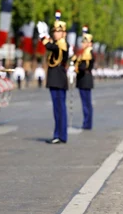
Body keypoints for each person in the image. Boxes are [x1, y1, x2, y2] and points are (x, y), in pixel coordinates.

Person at [37, 11, 69, 144]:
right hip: (56, 80)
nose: (55, 33)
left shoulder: (61, 44)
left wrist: (42, 35)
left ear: (63, 33)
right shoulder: (58, 44)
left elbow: (50, 46)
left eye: (58, 31)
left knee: (59, 109)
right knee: (58, 109)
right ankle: (60, 135)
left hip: (58, 80)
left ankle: (60, 135)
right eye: (54, 31)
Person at [71, 27, 94, 130]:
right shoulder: (84, 53)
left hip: (85, 79)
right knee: (85, 103)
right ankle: (87, 122)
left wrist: (76, 66)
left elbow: (83, 67)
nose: (82, 44)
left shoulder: (88, 53)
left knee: (86, 103)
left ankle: (87, 123)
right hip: (83, 80)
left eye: (85, 42)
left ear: (89, 43)